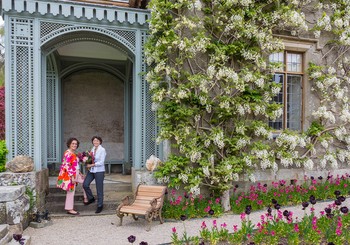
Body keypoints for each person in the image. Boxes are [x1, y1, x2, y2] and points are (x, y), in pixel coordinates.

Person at [57, 137, 88, 215]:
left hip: (76, 173)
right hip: (70, 175)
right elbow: (68, 166)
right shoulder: (68, 153)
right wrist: (72, 177)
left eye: (76, 144)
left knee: (86, 182)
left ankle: (86, 198)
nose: (74, 145)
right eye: (73, 144)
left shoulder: (74, 153)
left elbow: (75, 165)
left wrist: (80, 173)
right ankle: (69, 209)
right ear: (69, 144)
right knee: (71, 192)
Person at [83, 136, 106, 213]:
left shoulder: (102, 150)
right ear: (92, 142)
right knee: (85, 184)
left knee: (99, 188)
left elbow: (101, 162)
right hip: (92, 170)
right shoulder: (93, 149)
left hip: (99, 171)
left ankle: (100, 205)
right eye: (94, 141)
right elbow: (91, 159)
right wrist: (86, 161)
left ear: (100, 142)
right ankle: (91, 198)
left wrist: (91, 165)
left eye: (97, 141)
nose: (95, 142)